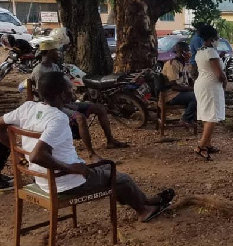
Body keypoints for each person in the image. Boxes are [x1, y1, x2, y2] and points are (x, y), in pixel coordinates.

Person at [0, 72, 174, 222]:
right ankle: (144, 211)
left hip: (42, 178)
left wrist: (17, 155)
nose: (73, 90)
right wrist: (72, 168)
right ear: (61, 94)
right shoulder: (58, 119)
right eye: (70, 88)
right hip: (64, 182)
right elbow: (37, 156)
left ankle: (144, 201)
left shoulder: (28, 107)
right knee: (121, 179)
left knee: (106, 166)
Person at [30, 40, 128, 162]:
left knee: (100, 108)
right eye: (56, 51)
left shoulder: (54, 66)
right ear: (49, 52)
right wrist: (66, 105)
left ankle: (110, 141)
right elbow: (44, 96)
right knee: (80, 118)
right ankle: (91, 153)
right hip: (52, 106)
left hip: (64, 103)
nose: (58, 54)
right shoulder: (40, 71)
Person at [193, 25, 226, 160]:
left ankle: (208, 144)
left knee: (206, 114)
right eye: (216, 37)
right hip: (211, 86)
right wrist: (224, 82)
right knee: (211, 116)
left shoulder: (200, 51)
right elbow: (219, 74)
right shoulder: (211, 52)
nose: (218, 39)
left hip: (201, 83)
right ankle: (201, 146)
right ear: (212, 38)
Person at [161, 41, 196, 127]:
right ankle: (185, 119)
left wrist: (195, 86)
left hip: (182, 92)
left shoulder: (184, 64)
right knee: (195, 96)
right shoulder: (172, 64)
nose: (189, 54)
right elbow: (174, 86)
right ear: (181, 52)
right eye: (187, 51)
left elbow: (190, 79)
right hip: (171, 94)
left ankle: (190, 118)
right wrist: (190, 89)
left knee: (200, 94)